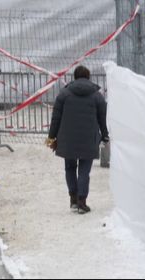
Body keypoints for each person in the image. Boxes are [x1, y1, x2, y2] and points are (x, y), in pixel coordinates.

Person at [47, 66, 109, 214]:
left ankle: (73, 199)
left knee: (69, 168)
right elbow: (102, 118)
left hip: (67, 139)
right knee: (84, 171)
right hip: (89, 139)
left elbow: (56, 118)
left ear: (74, 77)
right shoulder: (97, 96)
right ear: (88, 77)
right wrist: (105, 135)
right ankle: (82, 201)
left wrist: (51, 137)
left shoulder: (64, 94)